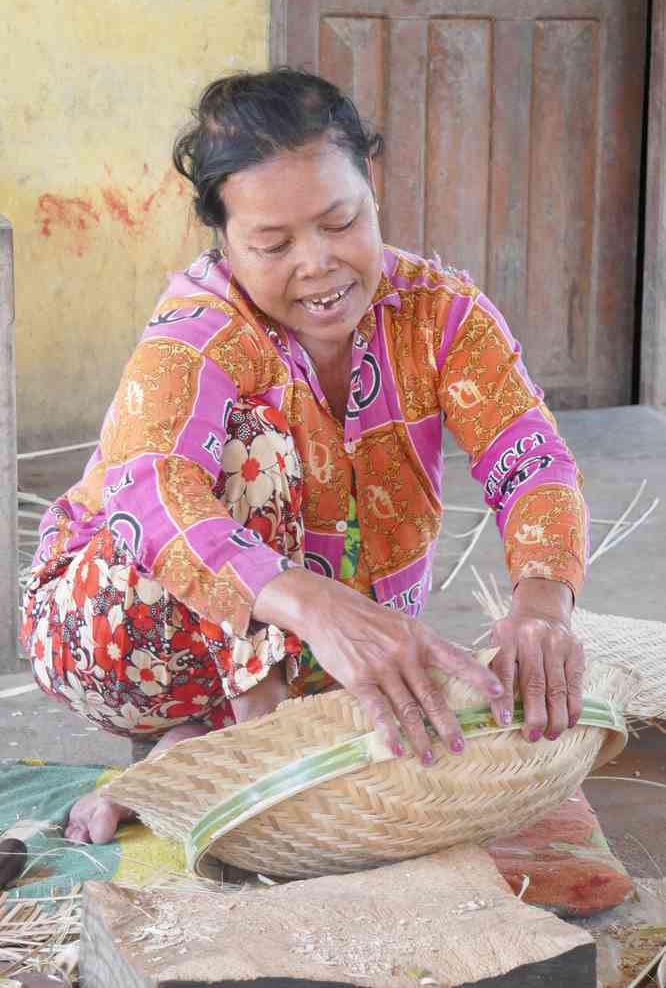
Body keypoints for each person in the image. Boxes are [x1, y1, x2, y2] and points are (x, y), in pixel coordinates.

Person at [21, 68, 587, 845]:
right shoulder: (198, 323)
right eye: (273, 243)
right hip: (116, 631)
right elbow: (148, 491)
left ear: (373, 189)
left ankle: (202, 745)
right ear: (223, 240)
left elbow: (532, 459)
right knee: (252, 446)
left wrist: (543, 602)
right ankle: (258, 746)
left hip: (318, 656)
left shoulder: (441, 313)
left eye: (341, 221)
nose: (317, 263)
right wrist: (308, 601)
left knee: (380, 648)